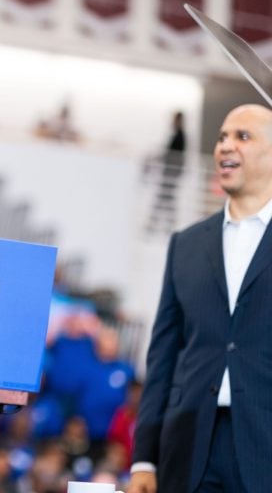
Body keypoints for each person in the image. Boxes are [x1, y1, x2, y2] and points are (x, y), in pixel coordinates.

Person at [128, 104, 272, 493]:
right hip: (188, 448)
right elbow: (162, 358)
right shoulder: (185, 245)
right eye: (222, 137)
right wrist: (144, 458)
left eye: (243, 136)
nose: (226, 146)